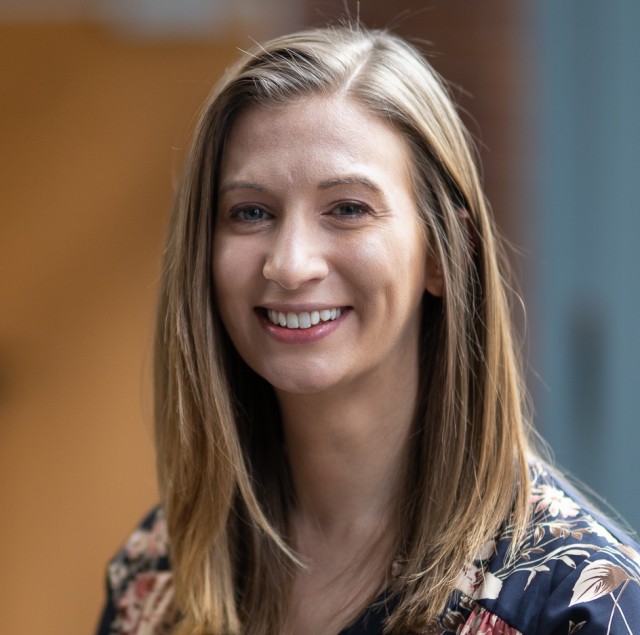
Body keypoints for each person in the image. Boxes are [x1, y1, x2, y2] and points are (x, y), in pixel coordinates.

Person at [96, 24, 640, 635]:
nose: (291, 263)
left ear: (445, 252)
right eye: (251, 212)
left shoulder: (579, 604)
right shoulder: (160, 576)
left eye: (348, 209)